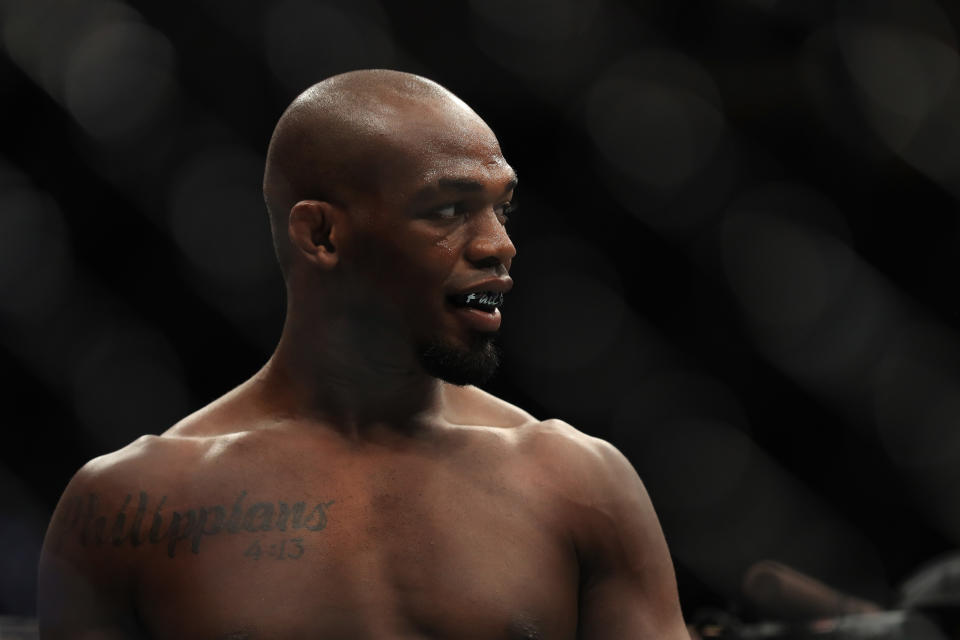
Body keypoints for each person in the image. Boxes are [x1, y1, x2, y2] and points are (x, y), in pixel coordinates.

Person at [38, 69, 690, 639]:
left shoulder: (575, 483)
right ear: (321, 234)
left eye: (502, 208)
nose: (499, 245)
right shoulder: (136, 505)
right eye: (450, 209)